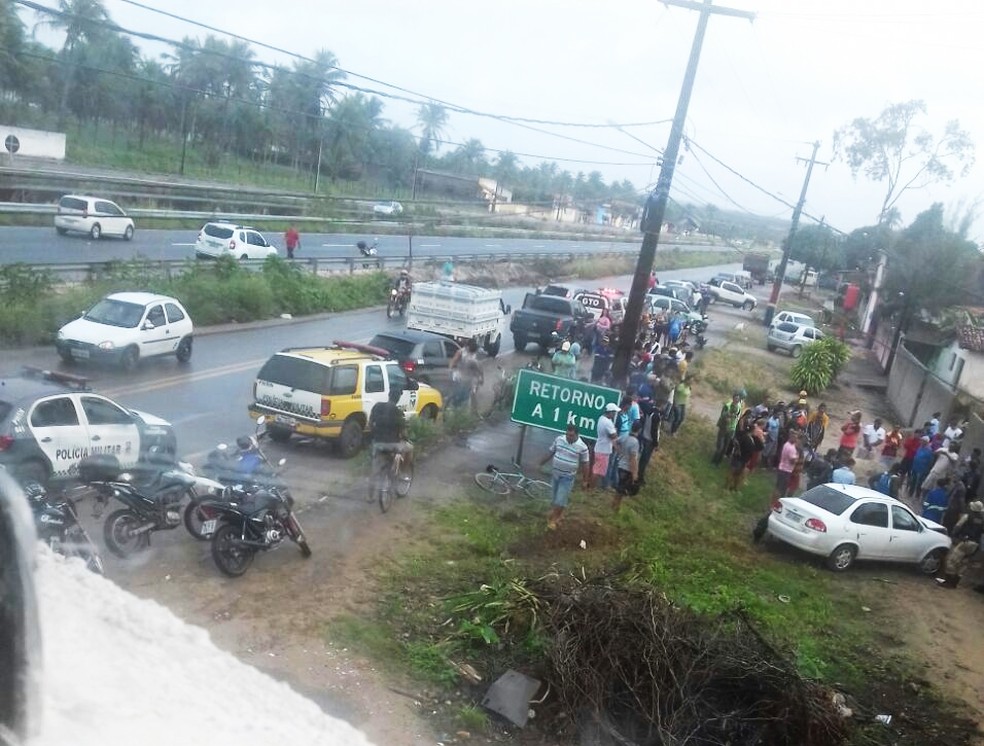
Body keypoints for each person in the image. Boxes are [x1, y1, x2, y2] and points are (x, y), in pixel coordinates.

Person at [540, 424, 590, 530]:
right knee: (554, 497)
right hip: (556, 474)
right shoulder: (559, 439)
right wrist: (540, 463)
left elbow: (585, 464)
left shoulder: (582, 447)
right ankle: (559, 515)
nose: (568, 437)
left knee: (560, 498)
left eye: (571, 435)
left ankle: (553, 520)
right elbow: (551, 452)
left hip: (567, 477)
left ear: (577, 435)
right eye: (567, 435)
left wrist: (585, 480)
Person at [368, 387, 413, 499]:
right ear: (398, 399)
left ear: (388, 395)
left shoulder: (377, 407)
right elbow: (403, 431)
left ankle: (370, 496)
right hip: (393, 445)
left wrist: (375, 435)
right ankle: (402, 471)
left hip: (378, 443)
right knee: (409, 448)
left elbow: (370, 423)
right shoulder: (398, 412)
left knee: (374, 470)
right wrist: (406, 438)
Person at [937, 500, 984, 589]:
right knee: (963, 563)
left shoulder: (968, 516)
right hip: (975, 544)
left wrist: (954, 535)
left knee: (952, 561)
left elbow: (958, 526)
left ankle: (948, 582)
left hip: (965, 541)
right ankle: (955, 583)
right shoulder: (982, 519)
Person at [612, 420, 641, 512]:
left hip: (620, 465)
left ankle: (615, 506)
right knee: (622, 490)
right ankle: (615, 507)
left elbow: (614, 442)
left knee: (620, 489)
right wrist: (635, 474)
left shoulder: (625, 437)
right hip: (627, 468)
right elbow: (633, 459)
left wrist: (619, 451)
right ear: (639, 430)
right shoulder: (635, 442)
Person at [449, 339, 484, 414]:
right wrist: (452, 370)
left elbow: (479, 367)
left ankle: (471, 412)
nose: (472, 352)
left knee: (470, 394)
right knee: (459, 394)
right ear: (467, 347)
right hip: (460, 376)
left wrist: (480, 377)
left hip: (469, 378)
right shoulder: (461, 352)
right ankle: (454, 408)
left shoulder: (474, 353)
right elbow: (453, 362)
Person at [591, 403, 619, 490]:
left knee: (598, 470)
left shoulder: (601, 418)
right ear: (610, 412)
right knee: (597, 471)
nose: (615, 414)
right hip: (603, 450)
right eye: (614, 412)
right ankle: (591, 488)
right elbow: (614, 436)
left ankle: (592, 487)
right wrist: (615, 432)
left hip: (601, 448)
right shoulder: (607, 422)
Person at [711, 391, 743, 465]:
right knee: (720, 446)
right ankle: (713, 461)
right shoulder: (727, 405)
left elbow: (738, 416)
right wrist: (727, 416)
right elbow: (722, 415)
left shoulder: (739, 407)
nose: (737, 400)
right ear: (733, 398)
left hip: (731, 428)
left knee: (725, 447)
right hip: (724, 427)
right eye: (736, 398)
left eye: (738, 399)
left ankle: (718, 463)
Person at [770, 430, 800, 499]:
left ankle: (772, 502)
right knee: (782, 489)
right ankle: (776, 502)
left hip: (782, 467)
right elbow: (792, 461)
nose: (796, 439)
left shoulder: (786, 444)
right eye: (795, 438)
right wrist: (797, 458)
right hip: (786, 470)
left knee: (777, 487)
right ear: (792, 438)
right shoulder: (791, 448)